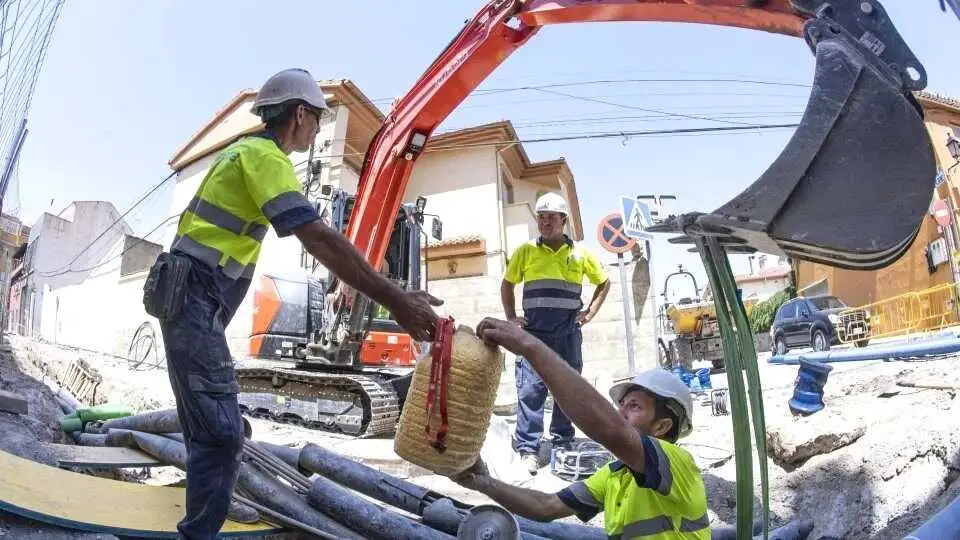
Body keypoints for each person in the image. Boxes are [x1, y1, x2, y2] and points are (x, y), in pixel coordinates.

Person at [149, 68, 442, 540]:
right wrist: (397, 300)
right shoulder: (264, 156)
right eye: (318, 119)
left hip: (191, 296)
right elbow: (320, 239)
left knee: (206, 423)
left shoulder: (248, 154)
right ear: (300, 113)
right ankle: (197, 531)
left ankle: (206, 505)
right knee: (224, 434)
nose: (319, 128)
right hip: (193, 298)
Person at [449, 318, 709, 539]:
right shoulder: (615, 475)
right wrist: (482, 483)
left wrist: (530, 347)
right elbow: (546, 506)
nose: (621, 412)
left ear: (663, 425)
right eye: (622, 405)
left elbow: (610, 430)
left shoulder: (678, 464)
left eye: (634, 406)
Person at [501, 192, 611, 473]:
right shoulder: (525, 251)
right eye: (541, 217)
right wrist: (512, 317)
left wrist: (590, 313)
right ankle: (529, 449)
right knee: (530, 390)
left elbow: (604, 283)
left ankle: (562, 442)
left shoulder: (581, 254)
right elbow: (507, 284)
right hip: (533, 335)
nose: (545, 222)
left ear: (563, 220)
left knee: (567, 390)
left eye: (551, 217)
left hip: (567, 334)